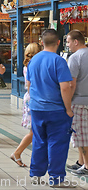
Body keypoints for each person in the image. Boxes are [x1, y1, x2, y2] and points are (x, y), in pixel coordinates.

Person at [27, 29, 74, 187]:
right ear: (58, 42)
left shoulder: (33, 60)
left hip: (36, 108)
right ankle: (56, 178)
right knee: (57, 143)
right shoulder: (59, 61)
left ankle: (36, 175)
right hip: (55, 110)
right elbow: (65, 88)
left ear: (42, 42)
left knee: (39, 140)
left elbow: (29, 85)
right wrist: (68, 109)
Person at [10, 42, 41, 167]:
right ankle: (17, 153)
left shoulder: (27, 65)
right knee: (34, 131)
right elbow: (30, 85)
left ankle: (17, 153)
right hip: (34, 98)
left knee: (35, 131)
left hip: (30, 98)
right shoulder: (34, 66)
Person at [65, 30, 88, 176]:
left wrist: (67, 104)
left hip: (79, 102)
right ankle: (81, 162)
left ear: (76, 42)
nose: (67, 45)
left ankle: (86, 166)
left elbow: (71, 84)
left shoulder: (75, 58)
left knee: (80, 134)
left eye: (68, 42)